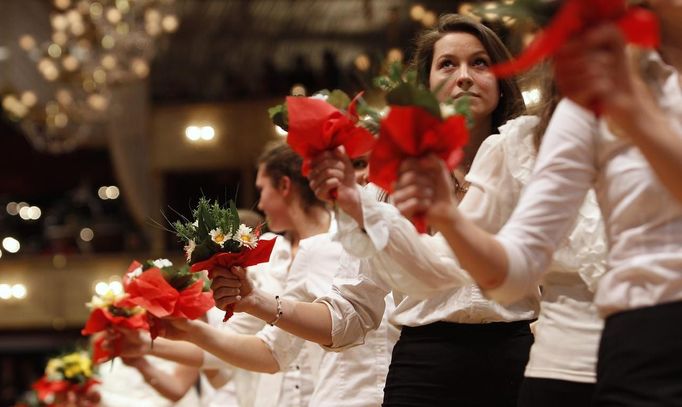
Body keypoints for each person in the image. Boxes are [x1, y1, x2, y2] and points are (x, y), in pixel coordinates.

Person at [218, 14, 538, 406]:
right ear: (425, 88)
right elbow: (352, 310)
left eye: (481, 62)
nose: (465, 76)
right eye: (448, 64)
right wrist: (254, 302)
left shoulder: (529, 164)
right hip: (423, 369)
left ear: (501, 80)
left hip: (517, 361)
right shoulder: (387, 186)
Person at [390, 3, 682, 405]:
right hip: (619, 346)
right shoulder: (570, 115)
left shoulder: (624, 99)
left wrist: (632, 110)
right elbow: (516, 270)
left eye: (480, 63)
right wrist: (446, 216)